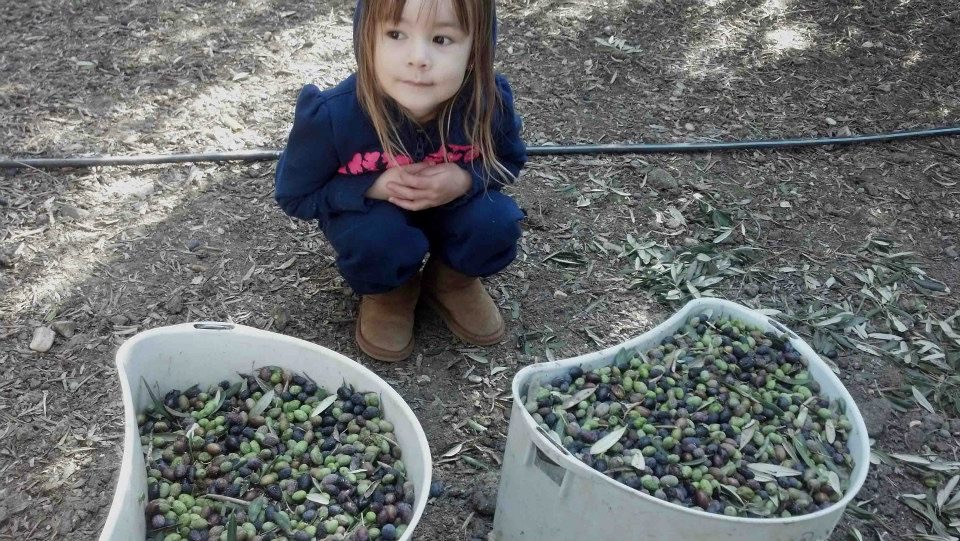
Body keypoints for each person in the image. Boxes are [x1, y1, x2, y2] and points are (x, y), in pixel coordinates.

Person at [275, 0, 526, 362]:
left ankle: (452, 281)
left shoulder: (488, 102)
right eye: (395, 34)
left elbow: (508, 160)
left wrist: (464, 179)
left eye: (442, 39)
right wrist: (371, 186)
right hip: (373, 220)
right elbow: (295, 196)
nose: (418, 58)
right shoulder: (332, 116)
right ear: (366, 39)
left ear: (476, 49)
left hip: (453, 211)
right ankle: (391, 292)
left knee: (496, 221)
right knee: (377, 240)